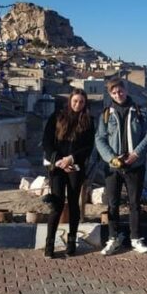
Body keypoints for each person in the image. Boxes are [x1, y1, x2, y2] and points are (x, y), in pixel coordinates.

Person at [95, 77, 147, 255]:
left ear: (125, 90)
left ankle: (135, 237)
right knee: (112, 204)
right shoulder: (106, 114)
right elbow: (100, 138)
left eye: (120, 91)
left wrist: (136, 154)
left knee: (134, 203)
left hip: (135, 164)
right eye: (114, 92)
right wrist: (111, 158)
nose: (118, 94)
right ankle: (114, 237)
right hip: (113, 167)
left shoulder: (139, 111)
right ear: (110, 94)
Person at [42, 88, 95, 259]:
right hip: (57, 167)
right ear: (70, 101)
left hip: (75, 167)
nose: (78, 104)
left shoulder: (88, 121)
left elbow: (88, 147)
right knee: (57, 205)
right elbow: (47, 142)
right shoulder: (57, 117)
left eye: (81, 102)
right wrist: (59, 161)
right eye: (75, 101)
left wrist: (71, 159)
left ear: (85, 103)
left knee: (73, 204)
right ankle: (49, 243)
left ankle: (71, 241)